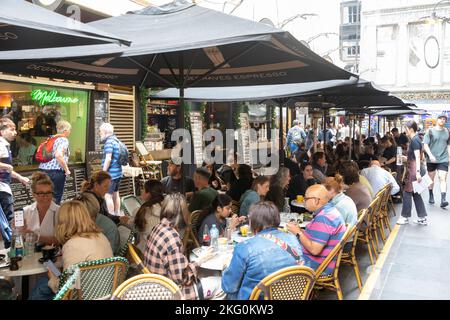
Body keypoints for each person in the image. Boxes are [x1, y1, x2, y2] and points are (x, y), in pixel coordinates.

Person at [144, 193, 224, 300]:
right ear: (182, 213)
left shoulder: (158, 227)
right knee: (223, 283)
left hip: (158, 286)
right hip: (172, 292)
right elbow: (183, 278)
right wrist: (200, 260)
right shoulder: (171, 237)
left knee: (212, 272)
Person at [29, 200, 113, 300]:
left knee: (41, 286)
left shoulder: (73, 244)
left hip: (84, 295)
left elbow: (68, 290)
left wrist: (52, 277)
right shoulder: (101, 236)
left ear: (63, 222)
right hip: (105, 293)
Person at [222, 201, 304, 300]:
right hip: (291, 295)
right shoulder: (293, 239)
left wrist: (225, 270)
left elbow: (229, 287)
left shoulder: (245, 247)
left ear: (253, 221)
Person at [287, 185, 346, 275]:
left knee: (279, 258)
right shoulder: (330, 211)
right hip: (323, 261)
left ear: (316, 200)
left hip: (316, 266)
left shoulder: (323, 218)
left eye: (306, 199)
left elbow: (315, 250)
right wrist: (299, 230)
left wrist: (298, 232)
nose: (303, 201)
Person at [0, 117, 30, 248]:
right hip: (2, 188)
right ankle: (12, 249)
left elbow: (5, 168)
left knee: (5, 220)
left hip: (4, 186)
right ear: (2, 131)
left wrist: (19, 177)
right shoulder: (1, 145)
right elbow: (5, 167)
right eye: (11, 130)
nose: (15, 133)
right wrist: (8, 167)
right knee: (9, 219)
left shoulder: (5, 145)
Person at [397, 121, 428, 225]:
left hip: (414, 169)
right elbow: (416, 156)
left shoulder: (414, 140)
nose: (405, 131)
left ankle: (405, 217)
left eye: (406, 128)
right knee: (416, 193)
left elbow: (418, 157)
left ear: (410, 129)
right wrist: (406, 158)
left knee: (407, 192)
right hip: (415, 167)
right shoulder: (416, 139)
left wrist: (418, 173)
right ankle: (422, 217)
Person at [38, 120, 71, 205]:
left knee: (43, 197)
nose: (70, 132)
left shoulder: (51, 138)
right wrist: (67, 170)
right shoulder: (63, 140)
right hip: (55, 172)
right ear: (65, 131)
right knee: (55, 198)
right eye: (69, 130)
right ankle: (53, 217)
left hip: (42, 170)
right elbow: (58, 155)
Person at [22, 172, 59, 246]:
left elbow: (62, 240)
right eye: (41, 193)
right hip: (31, 255)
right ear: (33, 194)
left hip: (53, 256)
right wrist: (18, 232)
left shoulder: (60, 211)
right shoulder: (25, 211)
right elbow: (19, 240)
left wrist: (36, 237)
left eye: (48, 192)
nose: (45, 196)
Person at [423, 113, 450, 208]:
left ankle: (443, 199)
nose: (442, 120)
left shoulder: (447, 131)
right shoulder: (430, 131)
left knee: (442, 178)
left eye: (444, 119)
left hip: (443, 158)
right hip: (432, 159)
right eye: (441, 118)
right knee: (431, 179)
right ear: (437, 120)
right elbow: (425, 145)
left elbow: (448, 145)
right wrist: (430, 155)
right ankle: (431, 195)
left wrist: (449, 157)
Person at [99, 123, 124, 216]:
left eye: (100, 131)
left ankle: (111, 216)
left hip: (111, 175)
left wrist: (103, 172)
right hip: (118, 173)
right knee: (116, 194)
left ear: (105, 132)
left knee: (107, 195)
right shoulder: (116, 141)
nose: (100, 133)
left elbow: (108, 158)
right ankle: (117, 214)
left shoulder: (109, 142)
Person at [133, 179, 165, 252]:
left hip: (146, 252)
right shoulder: (167, 208)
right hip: (167, 248)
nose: (141, 191)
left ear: (148, 193)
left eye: (143, 189)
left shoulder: (141, 211)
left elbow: (134, 228)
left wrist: (126, 221)